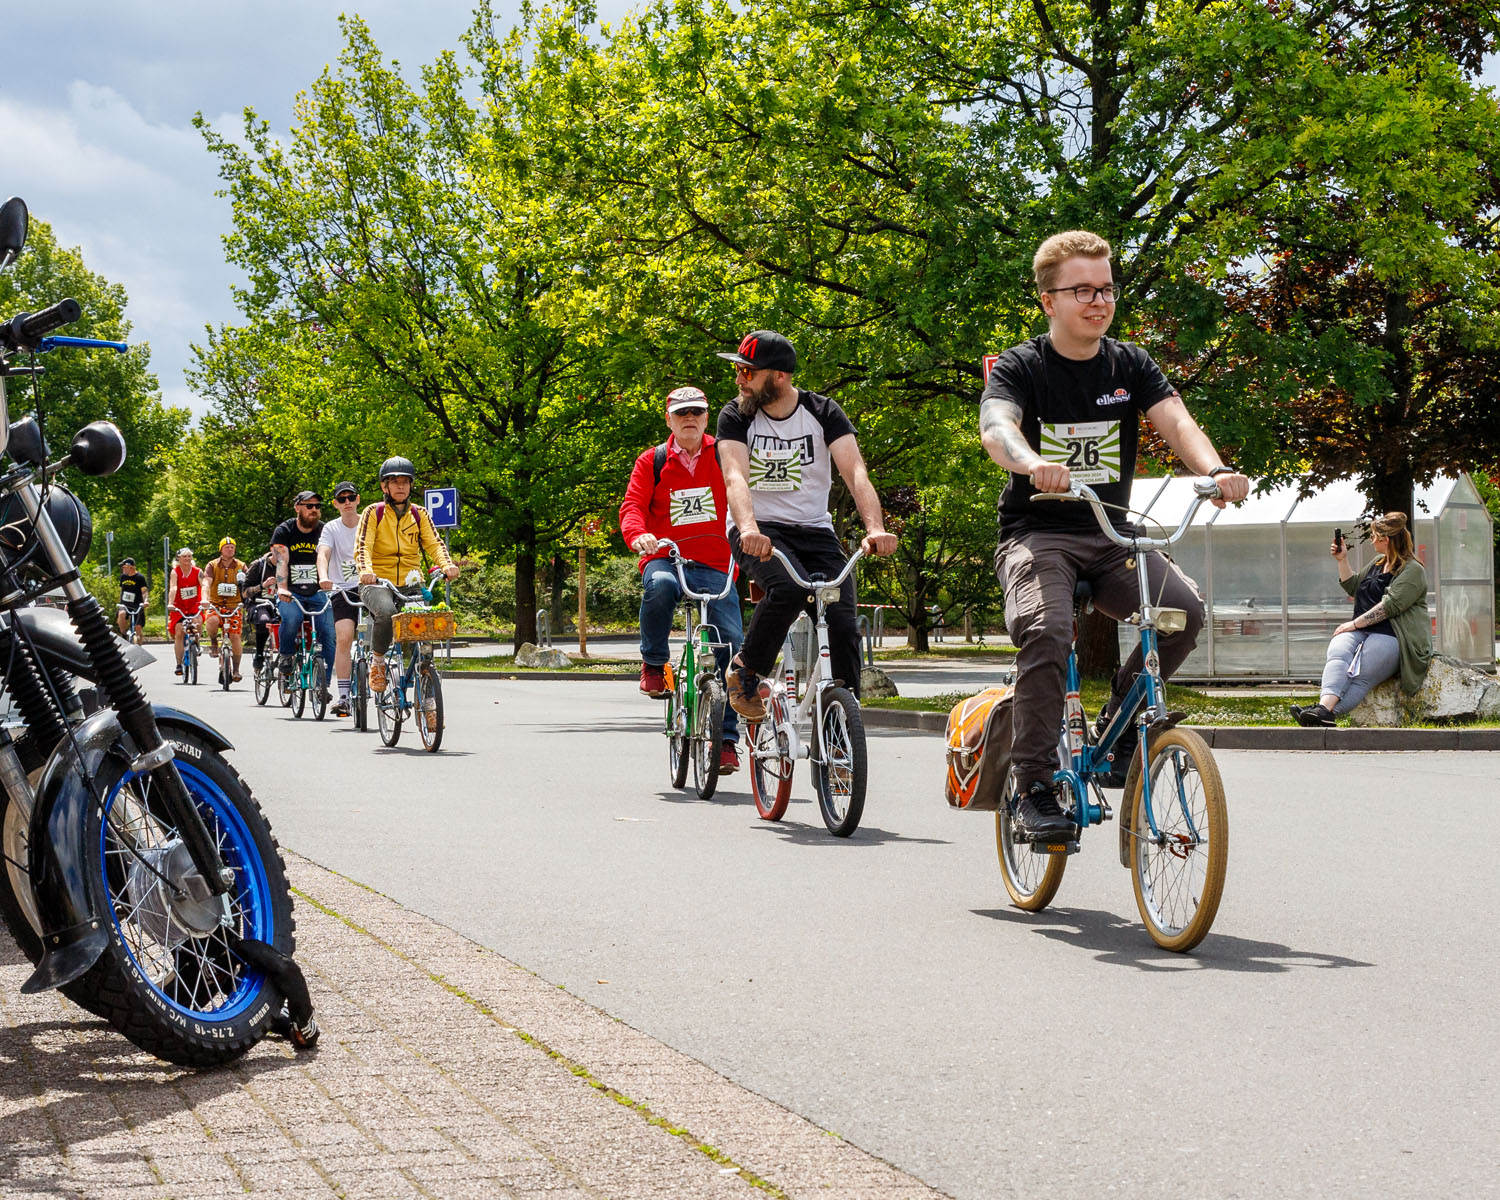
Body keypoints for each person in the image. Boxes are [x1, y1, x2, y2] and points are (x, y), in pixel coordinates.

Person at [979, 230, 1250, 842]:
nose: (1099, 301)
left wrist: (1215, 471)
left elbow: (1177, 421)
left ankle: (1122, 726)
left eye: (1106, 289)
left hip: (1110, 537)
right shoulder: (1023, 366)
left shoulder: (1130, 364)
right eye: (1082, 290)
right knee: (1047, 632)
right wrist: (1029, 463)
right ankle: (1033, 783)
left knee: (1183, 611)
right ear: (1049, 300)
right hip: (1037, 534)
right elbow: (997, 427)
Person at [714, 329, 899, 721]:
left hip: (815, 530)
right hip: (759, 530)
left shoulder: (823, 412)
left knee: (843, 620)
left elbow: (855, 471)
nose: (739, 379)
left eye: (748, 372)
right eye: (739, 371)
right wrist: (748, 528)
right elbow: (735, 478)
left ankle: (844, 727)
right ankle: (746, 667)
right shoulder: (735, 415)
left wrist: (875, 528)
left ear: (778, 376)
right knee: (787, 588)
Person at [619, 385, 743, 773]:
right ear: (669, 418)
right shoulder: (652, 461)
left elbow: (748, 498)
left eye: (697, 412)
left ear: (707, 418)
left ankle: (725, 741)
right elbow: (633, 506)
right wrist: (638, 534)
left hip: (716, 562)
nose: (690, 419)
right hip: (666, 557)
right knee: (660, 588)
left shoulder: (726, 454)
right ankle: (654, 664)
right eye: (682, 413)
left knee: (731, 641)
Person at [1290, 513, 1433, 727]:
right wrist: (1342, 560)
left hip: (1391, 634)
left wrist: (1354, 624)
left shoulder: (1413, 570)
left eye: (1375, 536)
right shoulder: (1378, 562)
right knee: (1337, 655)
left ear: (1386, 539)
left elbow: (1390, 606)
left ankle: (1325, 712)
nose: (1372, 540)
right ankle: (1323, 709)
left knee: (1361, 674)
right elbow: (1353, 586)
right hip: (1360, 630)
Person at [354, 457, 459, 695]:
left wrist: (447, 565)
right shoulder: (374, 512)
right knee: (387, 612)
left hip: (411, 582)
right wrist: (366, 571)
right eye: (394, 481)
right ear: (385, 486)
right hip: (378, 582)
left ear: (411, 485)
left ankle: (426, 686)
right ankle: (378, 663)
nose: (400, 486)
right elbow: (363, 547)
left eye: (405, 481)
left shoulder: (419, 514)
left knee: (425, 626)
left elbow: (435, 544)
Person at [271, 491, 335, 698]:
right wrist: (282, 587)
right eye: (309, 506)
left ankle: (321, 684)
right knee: (292, 618)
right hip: (292, 592)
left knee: (329, 632)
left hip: (318, 591)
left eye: (318, 506)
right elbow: (281, 561)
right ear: (297, 507)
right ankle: (287, 656)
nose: (314, 509)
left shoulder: (325, 530)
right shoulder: (284, 531)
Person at [318, 481, 363, 717]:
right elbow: (324, 553)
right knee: (344, 637)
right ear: (336, 504)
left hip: (369, 586)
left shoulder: (369, 523)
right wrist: (324, 576)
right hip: (342, 589)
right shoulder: (331, 529)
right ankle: (344, 696)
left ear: (358, 500)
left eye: (351, 497)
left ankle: (383, 677)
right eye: (342, 499)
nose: (347, 502)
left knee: (383, 633)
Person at [203, 536, 247, 681]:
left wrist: (248, 598)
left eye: (232, 547)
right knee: (212, 621)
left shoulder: (241, 566)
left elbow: (248, 583)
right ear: (221, 549)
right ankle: (214, 642)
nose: (229, 549)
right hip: (215, 604)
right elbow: (206, 583)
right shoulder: (212, 565)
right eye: (226, 547)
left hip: (234, 605)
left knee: (235, 636)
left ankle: (236, 670)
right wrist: (204, 598)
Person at [240, 549, 280, 672]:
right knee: (264, 621)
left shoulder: (289, 565)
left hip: (281, 603)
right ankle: (259, 654)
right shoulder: (259, 565)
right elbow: (245, 593)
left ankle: (289, 657)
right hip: (259, 603)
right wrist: (262, 585)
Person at [167, 547, 203, 676]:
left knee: (197, 623)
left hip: (194, 605)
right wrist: (171, 602)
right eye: (184, 557)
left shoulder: (198, 571)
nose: (187, 559)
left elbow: (203, 586)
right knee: (179, 631)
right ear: (178, 559)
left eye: (189, 556)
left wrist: (205, 600)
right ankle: (178, 664)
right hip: (180, 607)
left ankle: (196, 643)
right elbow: (173, 587)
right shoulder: (175, 572)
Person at [116, 558, 147, 645]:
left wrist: (146, 601)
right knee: (121, 614)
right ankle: (124, 635)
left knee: (138, 627)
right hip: (125, 604)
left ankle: (139, 646)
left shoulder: (140, 577)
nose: (123, 569)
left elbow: (144, 590)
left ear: (131, 567)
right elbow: (121, 590)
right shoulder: (123, 577)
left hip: (137, 604)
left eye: (124, 567)